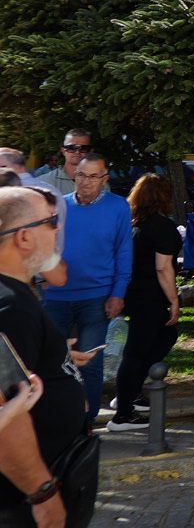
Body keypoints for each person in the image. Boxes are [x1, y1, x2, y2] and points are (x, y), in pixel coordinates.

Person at [0, 185, 89, 527]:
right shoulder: (10, 306)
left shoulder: (16, 297)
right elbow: (8, 417)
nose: (58, 228)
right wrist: (43, 494)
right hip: (23, 503)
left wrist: (58, 359)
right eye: (50, 221)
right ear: (23, 237)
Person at [41, 152, 132, 426]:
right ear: (74, 175)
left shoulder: (118, 207)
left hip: (97, 296)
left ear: (104, 179)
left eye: (93, 176)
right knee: (53, 359)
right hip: (56, 296)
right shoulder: (60, 206)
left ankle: (86, 422)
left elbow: (123, 252)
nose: (86, 181)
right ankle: (55, 419)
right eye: (81, 175)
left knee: (91, 361)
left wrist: (118, 293)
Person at [107, 175, 181, 431]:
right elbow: (163, 268)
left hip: (133, 293)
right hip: (150, 296)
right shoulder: (162, 227)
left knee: (164, 336)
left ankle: (129, 393)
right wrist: (174, 300)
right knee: (137, 352)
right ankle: (122, 414)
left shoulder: (133, 225)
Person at [33, 130, 92, 197]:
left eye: (84, 148)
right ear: (63, 150)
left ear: (90, 151)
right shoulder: (43, 182)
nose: (77, 152)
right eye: (71, 148)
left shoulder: (99, 182)